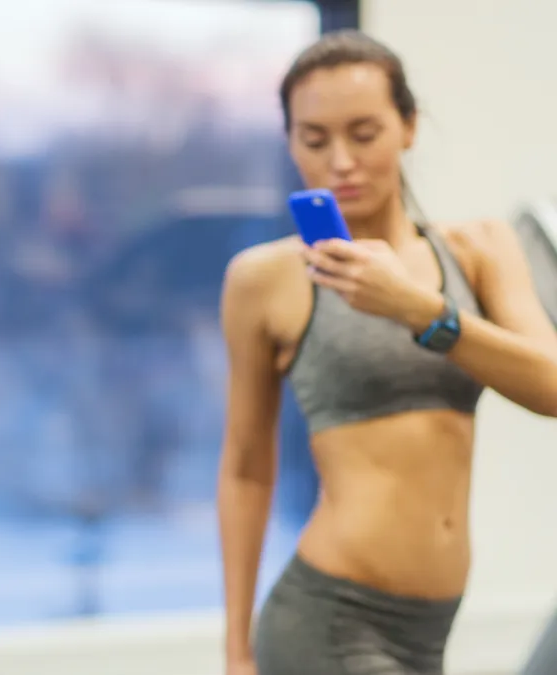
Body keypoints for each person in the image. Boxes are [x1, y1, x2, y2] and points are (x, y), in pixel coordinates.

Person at [217, 29, 557, 675]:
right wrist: (237, 650)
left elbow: (553, 386)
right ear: (291, 143)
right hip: (330, 620)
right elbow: (245, 465)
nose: (340, 160)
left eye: (364, 133)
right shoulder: (265, 280)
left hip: (430, 632)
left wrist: (421, 308)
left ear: (408, 127)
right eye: (314, 140)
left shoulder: (478, 249)